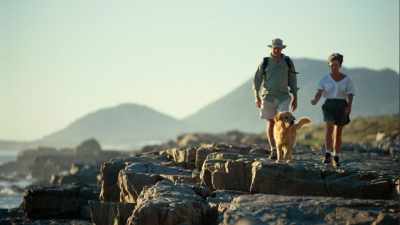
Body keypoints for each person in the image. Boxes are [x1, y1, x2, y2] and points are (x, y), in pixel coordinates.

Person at [253, 38, 298, 159]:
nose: (277, 50)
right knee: (271, 122)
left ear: (282, 48)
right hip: (268, 96)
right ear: (271, 48)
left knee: (284, 120)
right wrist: (256, 96)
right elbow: (257, 80)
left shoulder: (287, 61)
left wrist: (295, 97)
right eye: (275, 48)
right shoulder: (265, 62)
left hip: (284, 96)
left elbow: (293, 80)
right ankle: (274, 148)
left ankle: (285, 147)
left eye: (279, 48)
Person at [310, 53, 355, 167]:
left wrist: (349, 106)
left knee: (338, 132)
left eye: (336, 65)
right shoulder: (325, 79)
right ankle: (327, 154)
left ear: (340, 65)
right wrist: (315, 100)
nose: (333, 67)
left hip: (341, 105)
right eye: (331, 65)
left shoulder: (347, 79)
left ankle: (336, 155)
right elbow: (319, 91)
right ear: (329, 65)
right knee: (329, 128)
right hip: (329, 105)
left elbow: (350, 93)